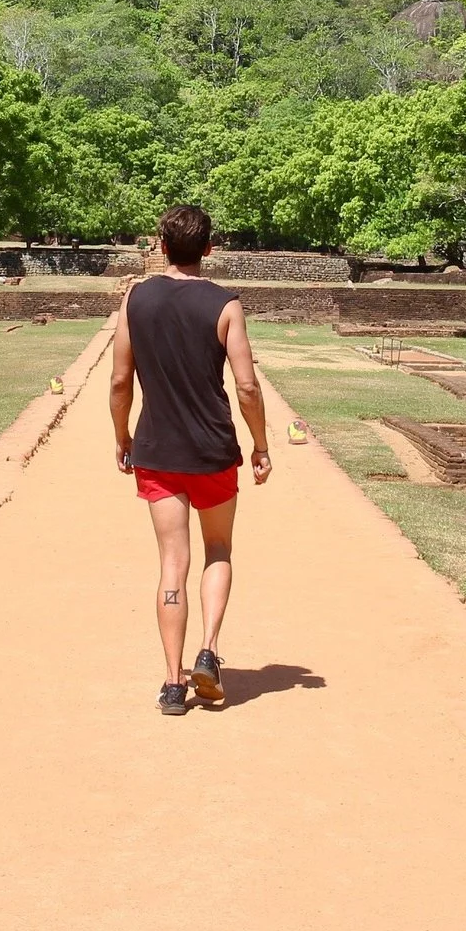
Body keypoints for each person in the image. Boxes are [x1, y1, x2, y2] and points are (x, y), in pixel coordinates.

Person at [110, 203, 271, 716]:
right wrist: (261, 445)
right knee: (218, 549)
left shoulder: (135, 299)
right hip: (212, 450)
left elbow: (119, 380)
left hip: (158, 450)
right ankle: (209, 650)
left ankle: (172, 683)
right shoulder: (226, 305)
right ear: (209, 248)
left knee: (171, 565)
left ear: (161, 246)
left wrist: (122, 437)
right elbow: (246, 386)